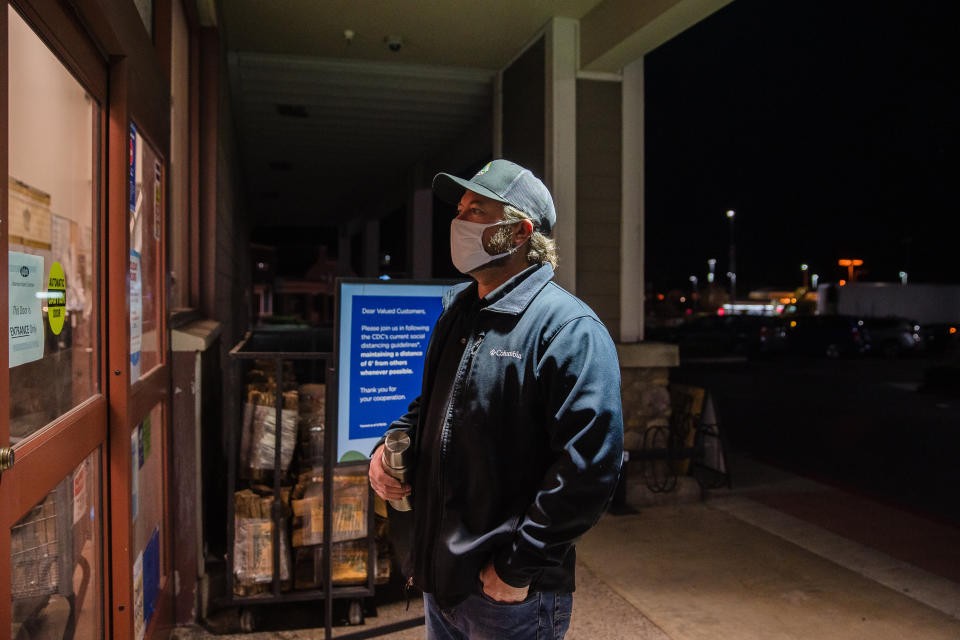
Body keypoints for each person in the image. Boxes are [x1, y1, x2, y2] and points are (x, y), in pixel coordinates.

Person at [369, 159, 623, 639]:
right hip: (440, 577)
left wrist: (516, 569)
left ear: (518, 232)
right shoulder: (460, 313)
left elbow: (590, 469)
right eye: (461, 209)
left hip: (508, 597)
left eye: (476, 210)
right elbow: (434, 407)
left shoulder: (569, 331)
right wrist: (392, 443)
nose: (459, 221)